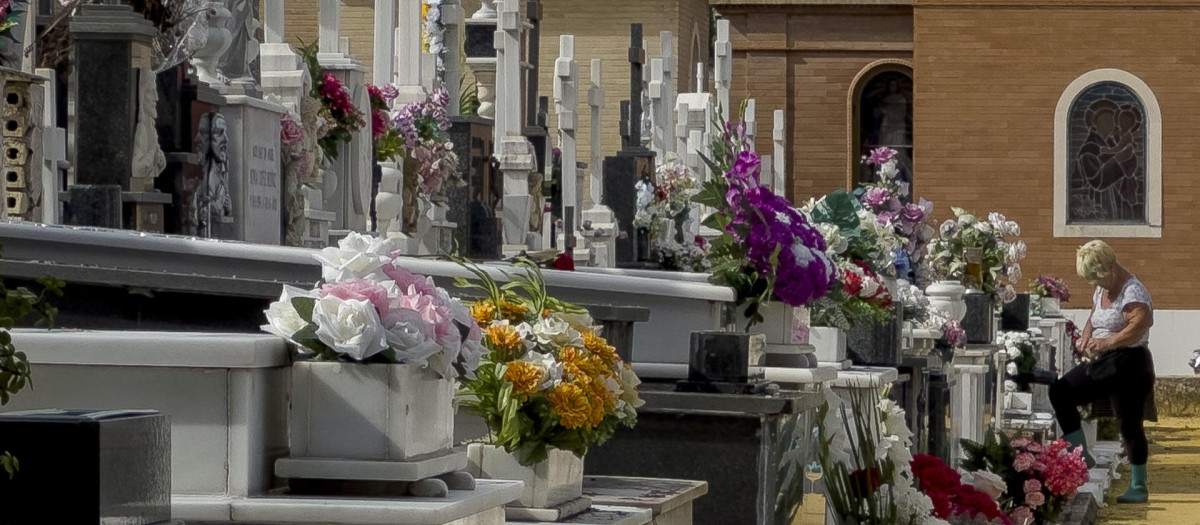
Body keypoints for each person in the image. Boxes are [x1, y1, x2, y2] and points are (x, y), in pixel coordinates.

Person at [1049, 240, 1155, 504]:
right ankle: (1082, 454)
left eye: (1097, 276)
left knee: (1129, 423)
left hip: (1129, 361)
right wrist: (1086, 338)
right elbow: (1093, 319)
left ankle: (1138, 485)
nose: (1095, 283)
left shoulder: (1132, 291)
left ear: (1110, 267)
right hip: (1106, 360)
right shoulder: (1101, 290)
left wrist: (1107, 342)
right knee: (1061, 390)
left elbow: (1141, 323)